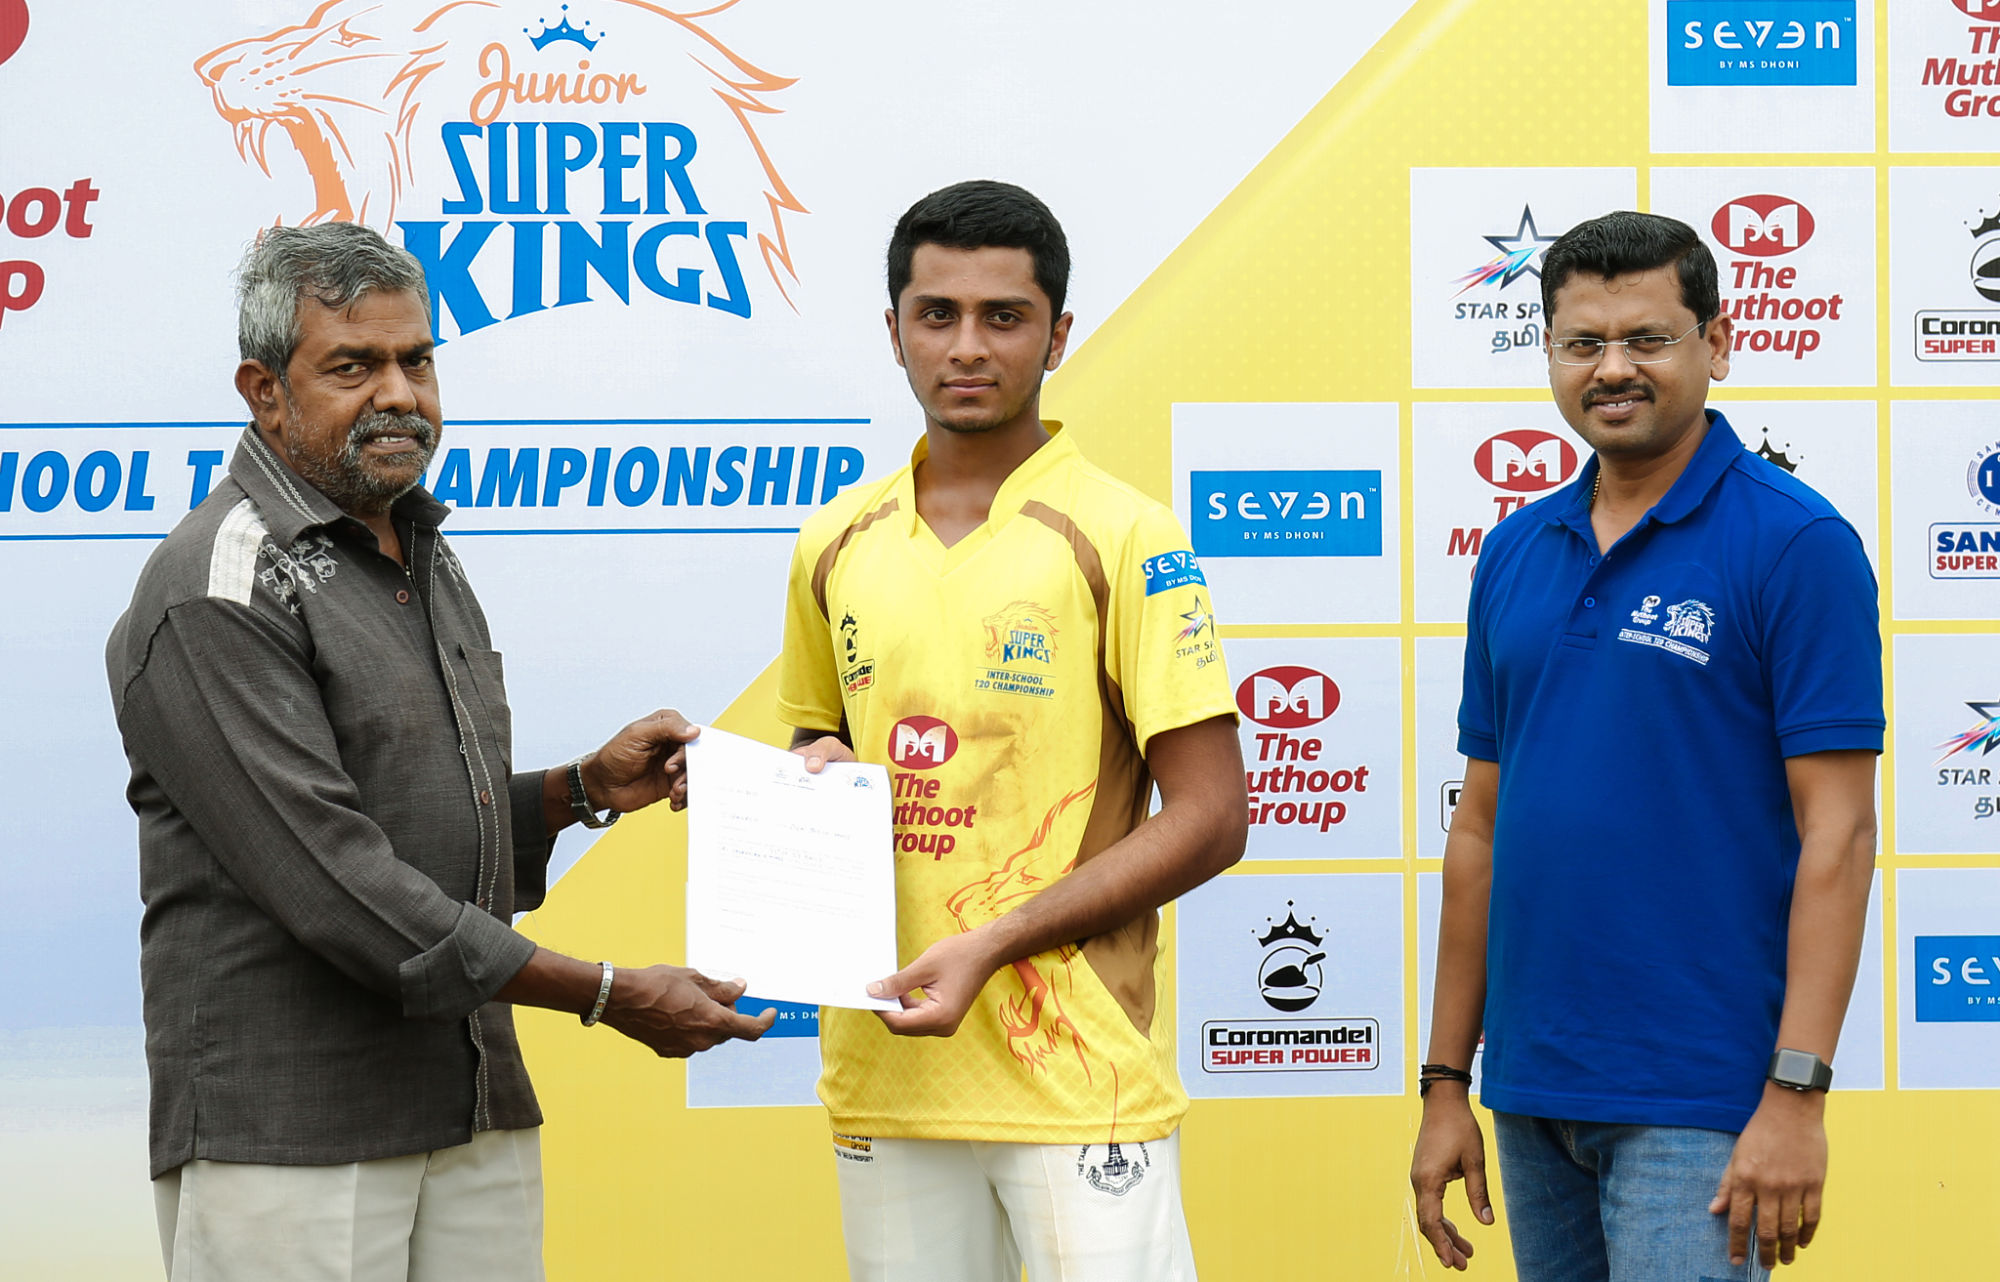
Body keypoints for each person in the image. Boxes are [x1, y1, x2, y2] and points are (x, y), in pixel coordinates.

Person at [105, 221, 774, 1282]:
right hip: (293, 1131)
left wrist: (576, 791)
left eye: (416, 359)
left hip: (468, 1100)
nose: (400, 395)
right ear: (263, 390)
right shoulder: (220, 588)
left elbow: (406, 819)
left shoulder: (417, 546)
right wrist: (608, 992)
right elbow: (340, 884)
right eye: (352, 365)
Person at [773, 180, 1247, 1282]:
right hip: (885, 1064)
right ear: (891, 331)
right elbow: (817, 752)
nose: (967, 345)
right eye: (936, 314)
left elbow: (1215, 818)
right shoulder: (831, 541)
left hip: (1076, 1071)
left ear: (1057, 334)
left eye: (1003, 316)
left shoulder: (1123, 533)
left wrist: (991, 941)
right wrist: (799, 779)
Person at [1409, 210, 1883, 1281]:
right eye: (1581, 343)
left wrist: (1794, 1093)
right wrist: (1446, 1081)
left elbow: (1838, 836)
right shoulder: (1514, 551)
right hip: (1531, 1091)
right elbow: (1477, 832)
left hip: (1700, 1101)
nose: (1610, 368)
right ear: (1548, 354)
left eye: (1645, 339)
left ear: (1713, 344)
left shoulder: (1793, 543)